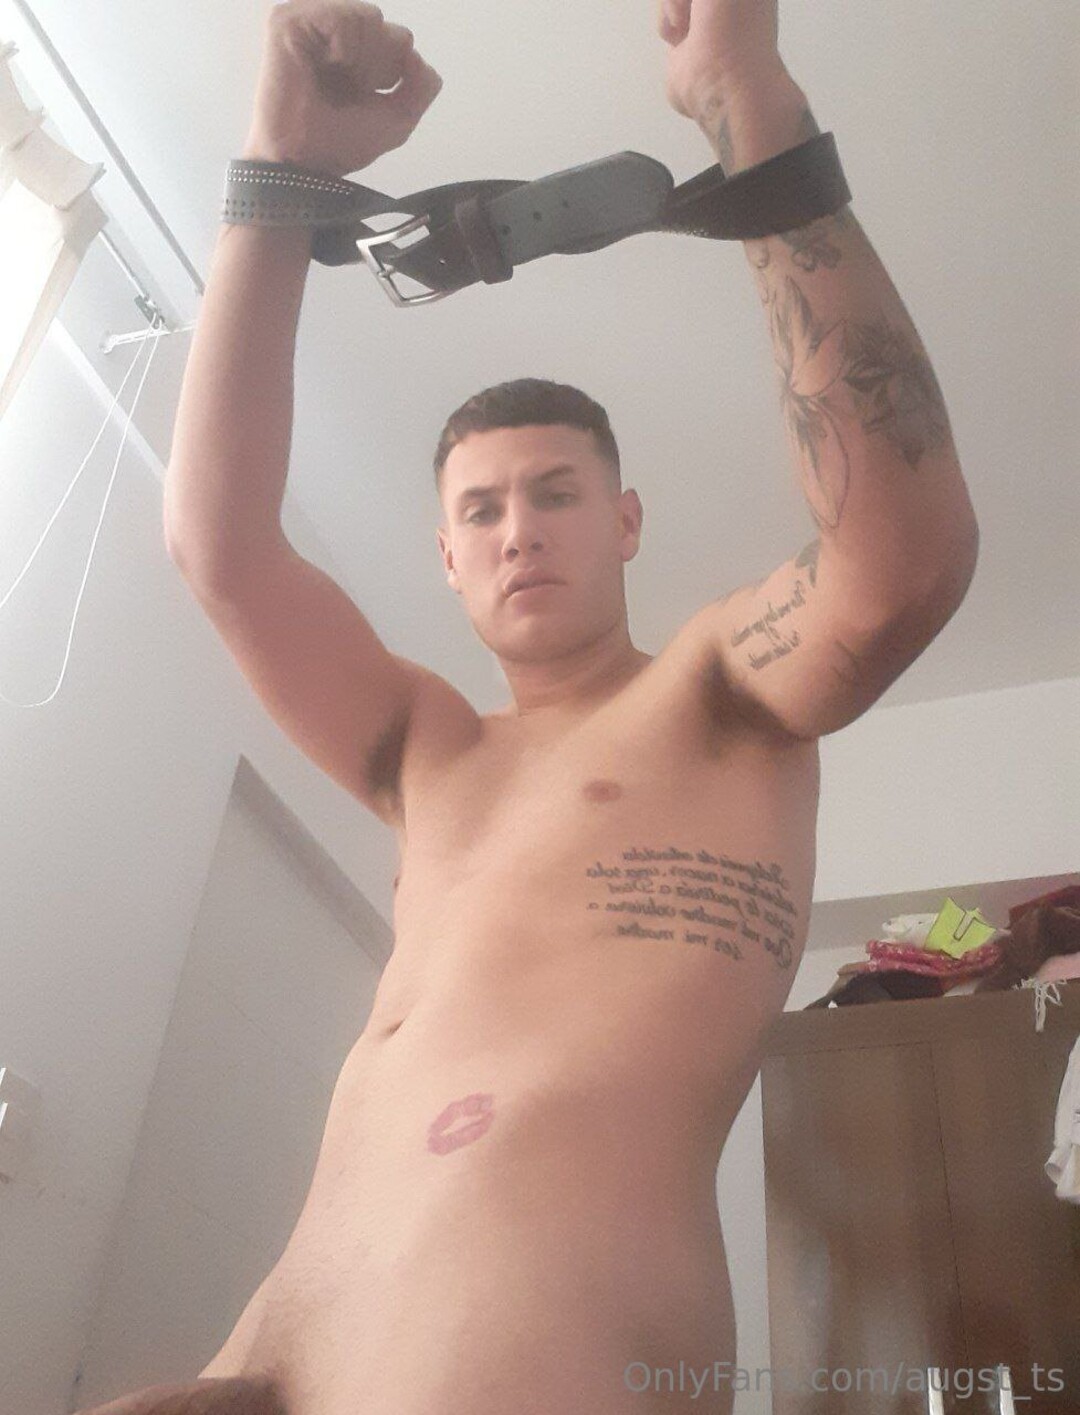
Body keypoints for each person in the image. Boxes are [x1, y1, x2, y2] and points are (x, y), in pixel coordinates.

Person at [85, 1, 977, 1411]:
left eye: (557, 493)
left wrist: (745, 98)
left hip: (517, 1327)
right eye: (482, 510)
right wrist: (276, 167)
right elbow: (220, 550)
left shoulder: (716, 692)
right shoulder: (426, 749)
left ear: (625, 522)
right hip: (264, 1349)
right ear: (447, 559)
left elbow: (897, 567)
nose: (519, 530)